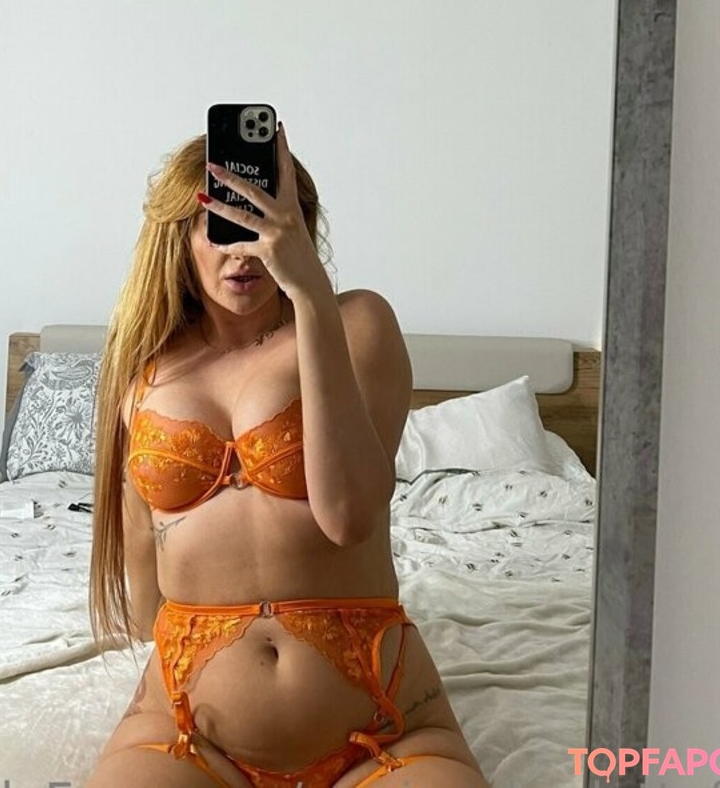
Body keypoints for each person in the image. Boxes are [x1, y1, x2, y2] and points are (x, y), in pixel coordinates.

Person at [85, 124, 490, 788]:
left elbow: (347, 516)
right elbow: (141, 574)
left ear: (300, 229)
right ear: (181, 236)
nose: (243, 249)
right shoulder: (144, 369)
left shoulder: (355, 323)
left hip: (382, 731)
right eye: (221, 223)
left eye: (267, 221)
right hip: (188, 732)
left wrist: (310, 295)